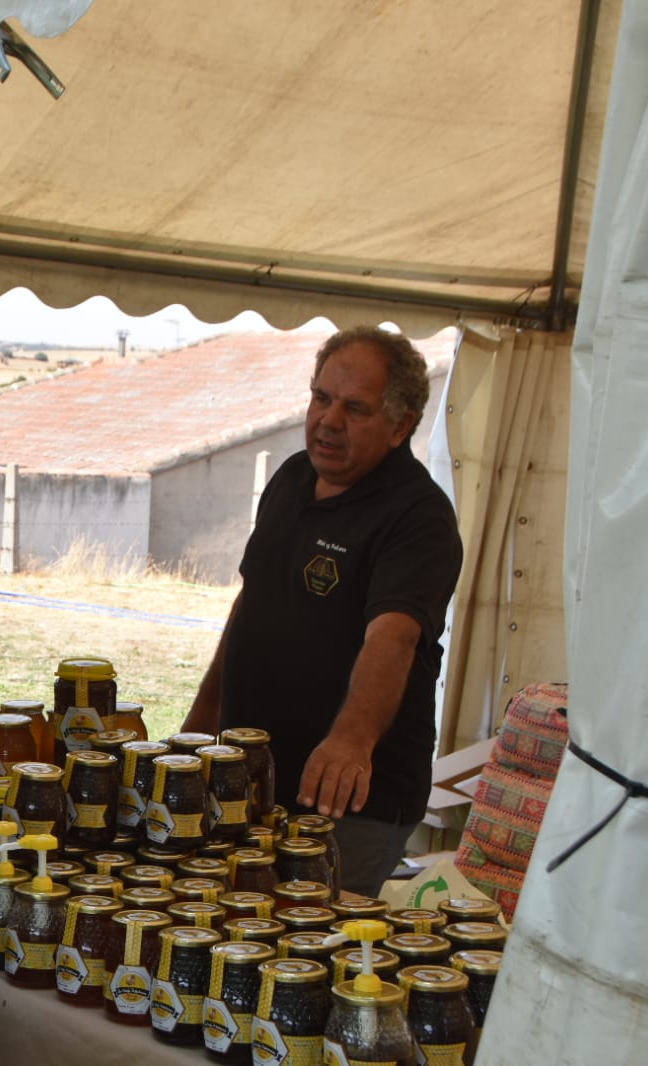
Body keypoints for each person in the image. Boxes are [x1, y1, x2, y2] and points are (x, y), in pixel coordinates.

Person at [182, 326, 463, 897]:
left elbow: (394, 638)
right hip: (252, 777)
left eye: (355, 408)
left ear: (401, 425)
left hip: (349, 797)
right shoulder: (291, 478)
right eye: (321, 398)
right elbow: (250, 603)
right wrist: (203, 715)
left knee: (299, 951)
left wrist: (351, 740)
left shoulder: (418, 517)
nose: (328, 421)